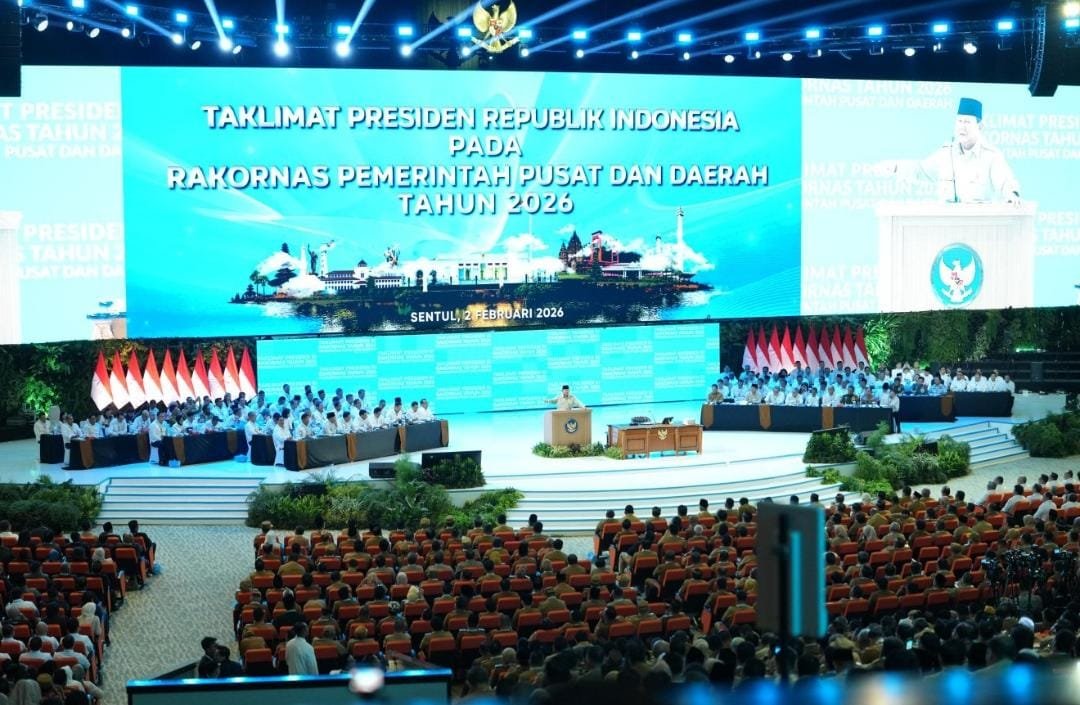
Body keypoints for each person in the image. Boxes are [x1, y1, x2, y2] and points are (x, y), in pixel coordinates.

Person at [882, 97, 1021, 204]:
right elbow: (921, 170)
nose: (962, 127)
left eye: (967, 122)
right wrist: (896, 167)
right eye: (959, 121)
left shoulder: (991, 156)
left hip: (979, 224)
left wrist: (1012, 195)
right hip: (949, 223)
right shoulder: (946, 153)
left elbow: (1005, 182)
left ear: (980, 127)